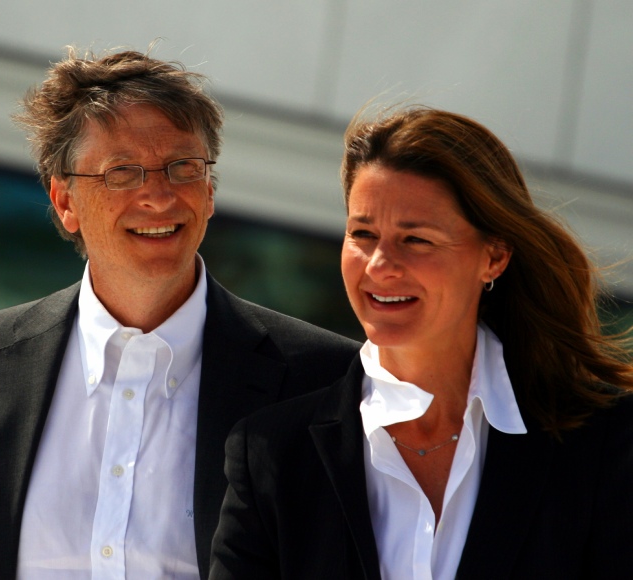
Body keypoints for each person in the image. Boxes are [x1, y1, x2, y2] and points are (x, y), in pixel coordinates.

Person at [0, 48, 360, 579]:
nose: (159, 196)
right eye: (122, 172)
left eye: (183, 167)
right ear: (65, 201)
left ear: (209, 192)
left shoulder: (322, 381)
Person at [209, 105, 633, 579]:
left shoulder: (603, 443)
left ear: (493, 256)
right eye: (363, 234)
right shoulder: (272, 453)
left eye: (416, 240)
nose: (379, 265)